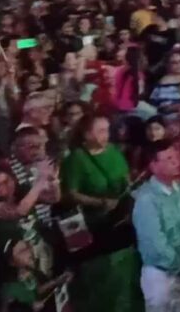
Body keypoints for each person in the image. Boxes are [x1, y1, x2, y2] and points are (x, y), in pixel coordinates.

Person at [60, 115, 141, 312]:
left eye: (107, 129)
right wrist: (100, 202)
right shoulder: (76, 159)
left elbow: (124, 177)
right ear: (87, 134)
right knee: (91, 271)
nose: (107, 135)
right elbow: (70, 194)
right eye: (101, 130)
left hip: (116, 220)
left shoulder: (113, 151)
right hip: (89, 223)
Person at [132, 140, 180, 312]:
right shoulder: (147, 199)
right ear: (153, 166)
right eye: (168, 158)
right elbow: (156, 246)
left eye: (175, 156)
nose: (176, 161)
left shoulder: (178, 187)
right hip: (161, 276)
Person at [0, 238, 73, 312]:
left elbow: (38, 290)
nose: (29, 252)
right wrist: (29, 308)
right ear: (12, 262)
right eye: (22, 251)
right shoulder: (8, 288)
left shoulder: (29, 271)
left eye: (27, 247)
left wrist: (57, 280)